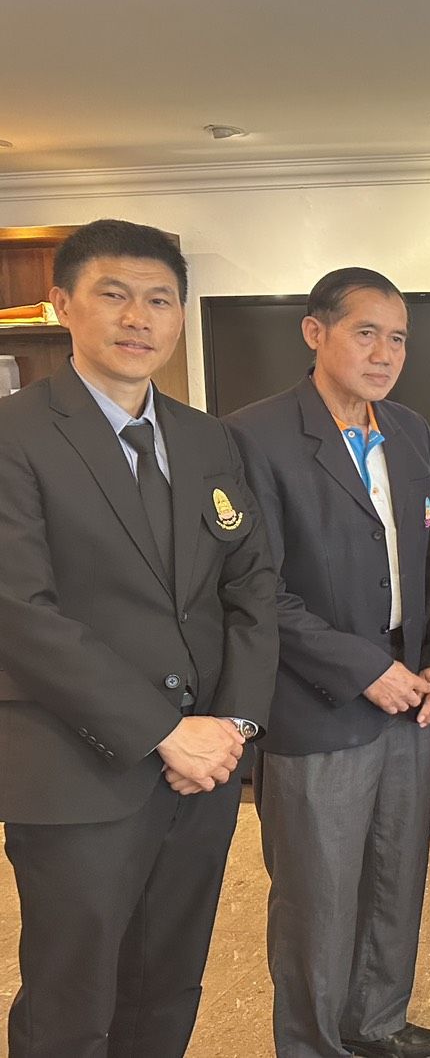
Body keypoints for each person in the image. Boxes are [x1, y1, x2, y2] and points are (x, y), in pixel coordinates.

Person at [0, 219, 278, 1058]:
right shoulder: (14, 434)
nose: (138, 318)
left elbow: (251, 585)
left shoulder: (208, 437)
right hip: (76, 769)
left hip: (203, 771)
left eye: (159, 300)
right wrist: (162, 731)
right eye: (114, 295)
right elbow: (20, 610)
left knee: (169, 981)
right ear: (63, 304)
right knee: (71, 995)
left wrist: (233, 724)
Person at [225, 267, 430, 1058]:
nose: (384, 353)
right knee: (318, 896)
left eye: (397, 339)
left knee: (396, 877)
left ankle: (378, 1024)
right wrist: (364, 668)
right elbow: (256, 588)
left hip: (411, 693)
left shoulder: (410, 430)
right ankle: (314, 1044)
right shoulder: (254, 435)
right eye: (366, 333)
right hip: (317, 700)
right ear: (315, 332)